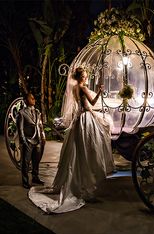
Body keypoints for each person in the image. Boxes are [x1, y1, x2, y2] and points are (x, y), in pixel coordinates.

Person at [28, 66, 115, 214]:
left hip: (79, 120)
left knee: (79, 152)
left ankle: (83, 183)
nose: (87, 77)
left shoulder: (75, 87)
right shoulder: (82, 88)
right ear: (81, 77)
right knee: (89, 149)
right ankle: (86, 186)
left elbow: (84, 105)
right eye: (85, 75)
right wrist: (100, 91)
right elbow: (92, 103)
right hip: (85, 119)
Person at [16, 92, 46, 189]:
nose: (33, 99)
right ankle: (25, 181)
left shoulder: (37, 112)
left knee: (36, 161)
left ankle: (35, 177)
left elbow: (40, 125)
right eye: (31, 98)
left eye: (34, 98)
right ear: (25, 100)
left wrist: (43, 136)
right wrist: (24, 141)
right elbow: (20, 129)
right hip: (28, 140)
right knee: (26, 162)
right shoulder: (21, 113)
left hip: (37, 140)